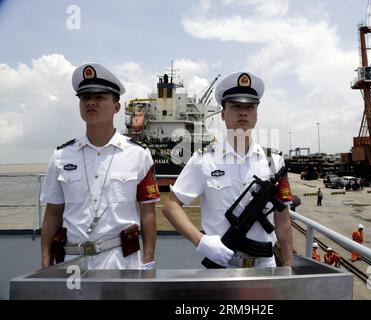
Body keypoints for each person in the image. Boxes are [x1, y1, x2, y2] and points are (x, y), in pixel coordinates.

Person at [162, 71, 294, 268]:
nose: (243, 112)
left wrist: (289, 267)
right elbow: (171, 206)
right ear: (223, 114)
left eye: (249, 107)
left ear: (256, 114)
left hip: (265, 266)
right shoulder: (204, 159)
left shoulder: (274, 162)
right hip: (222, 266)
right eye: (235, 107)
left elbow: (283, 220)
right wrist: (201, 241)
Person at [40, 63, 160, 270]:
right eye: (85, 98)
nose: (91, 103)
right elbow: (52, 213)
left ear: (117, 107)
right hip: (72, 260)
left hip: (121, 260)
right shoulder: (61, 156)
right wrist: (45, 262)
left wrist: (148, 260)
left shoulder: (138, 154)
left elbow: (148, 211)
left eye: (99, 98)